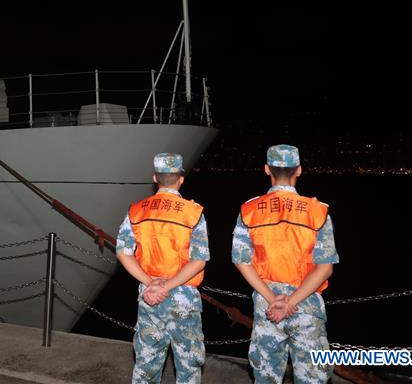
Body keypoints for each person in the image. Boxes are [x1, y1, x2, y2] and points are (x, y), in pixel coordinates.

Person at [232, 144, 338, 384]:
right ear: (298, 170)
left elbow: (241, 260)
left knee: (266, 377)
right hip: (307, 307)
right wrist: (292, 301)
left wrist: (273, 298)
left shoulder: (249, 211)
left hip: (267, 308)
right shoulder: (317, 212)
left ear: (267, 169)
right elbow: (326, 267)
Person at [116, 153, 208, 384]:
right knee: (188, 365)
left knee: (147, 362)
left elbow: (123, 252)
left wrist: (151, 283)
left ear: (155, 178)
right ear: (181, 179)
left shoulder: (136, 210)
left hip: (150, 296)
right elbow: (199, 260)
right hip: (184, 296)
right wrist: (168, 284)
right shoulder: (193, 212)